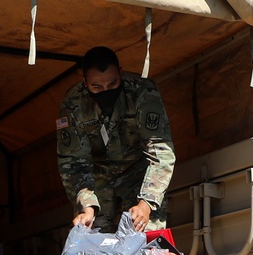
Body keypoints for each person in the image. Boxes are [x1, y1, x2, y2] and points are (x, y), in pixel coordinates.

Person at [57, 46, 175, 233]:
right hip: (96, 182)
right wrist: (87, 206)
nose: (105, 90)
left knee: (146, 243)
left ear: (120, 73)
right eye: (96, 87)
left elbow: (161, 151)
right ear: (84, 81)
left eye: (112, 84)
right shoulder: (73, 104)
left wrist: (147, 202)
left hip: (138, 176)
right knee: (95, 245)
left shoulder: (143, 92)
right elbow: (73, 162)